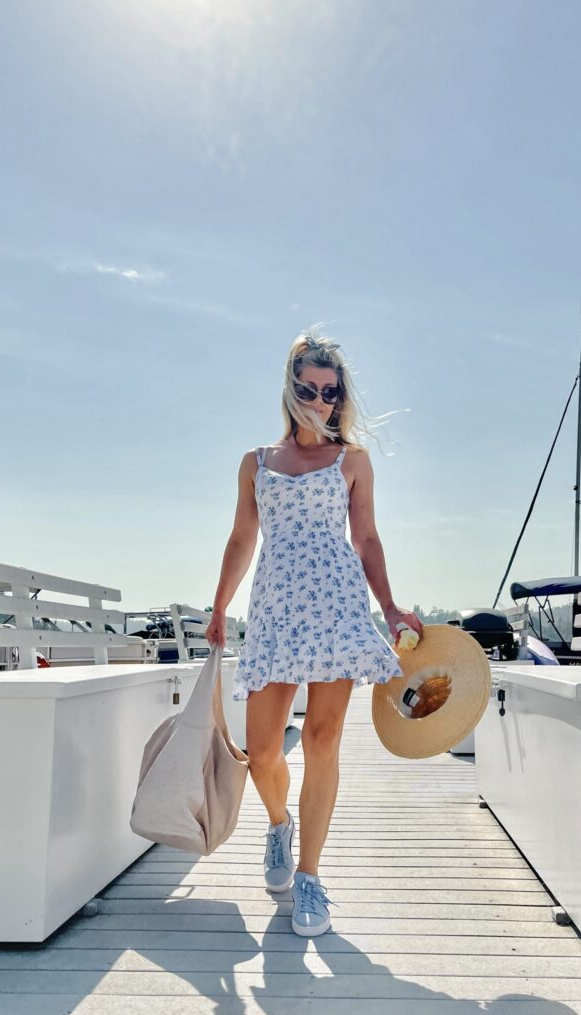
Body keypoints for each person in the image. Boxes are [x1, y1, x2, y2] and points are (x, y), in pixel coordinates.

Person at [205, 330, 422, 937]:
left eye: (331, 391)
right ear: (290, 388)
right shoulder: (258, 463)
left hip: (337, 609)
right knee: (264, 751)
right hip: (274, 611)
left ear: (340, 396)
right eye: (308, 387)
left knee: (324, 742)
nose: (320, 400)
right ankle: (278, 824)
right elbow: (243, 538)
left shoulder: (351, 461)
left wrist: (391, 606)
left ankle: (310, 879)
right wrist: (220, 606)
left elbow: (367, 539)